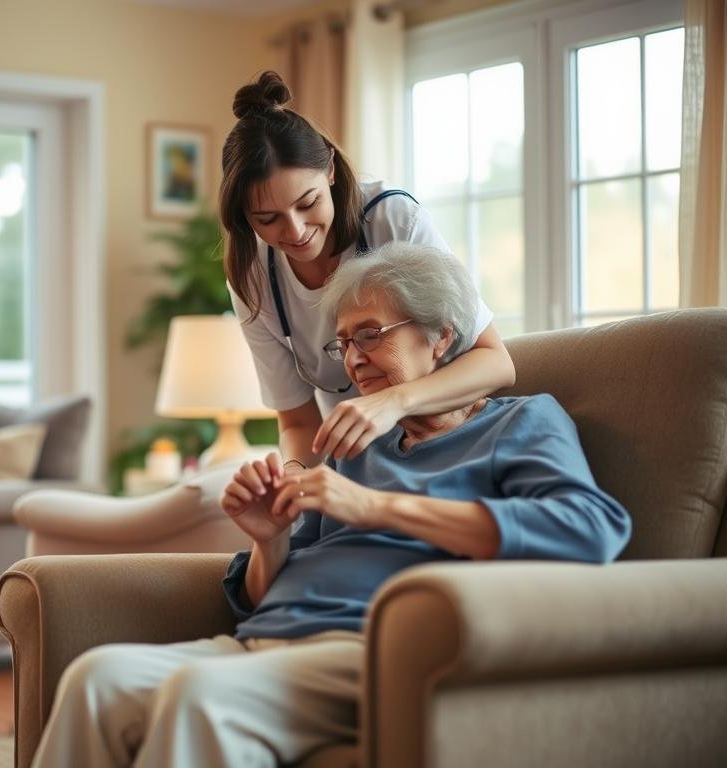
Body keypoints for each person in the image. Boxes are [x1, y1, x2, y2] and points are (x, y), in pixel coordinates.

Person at [31, 243, 631, 768]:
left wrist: (378, 508)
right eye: (344, 343)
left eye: (371, 334)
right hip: (263, 643)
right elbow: (263, 597)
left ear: (440, 336)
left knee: (199, 698)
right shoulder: (356, 443)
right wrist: (269, 540)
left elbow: (591, 529)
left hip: (373, 650)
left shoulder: (520, 421)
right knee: (96, 678)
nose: (354, 358)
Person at [219, 70, 515, 492]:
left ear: (332, 172)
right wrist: (296, 477)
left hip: (444, 444)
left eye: (309, 203)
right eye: (268, 220)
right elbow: (299, 421)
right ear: (244, 219)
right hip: (358, 465)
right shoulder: (252, 278)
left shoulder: (394, 219)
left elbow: (496, 362)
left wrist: (390, 404)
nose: (297, 230)